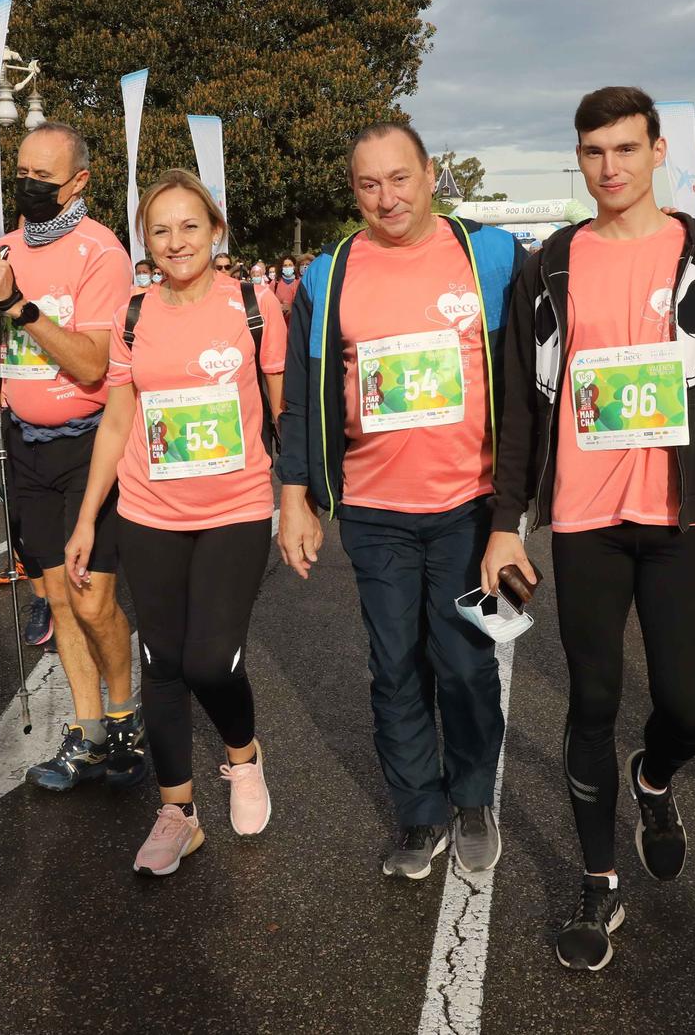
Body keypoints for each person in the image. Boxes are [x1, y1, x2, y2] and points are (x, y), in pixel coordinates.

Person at [482, 86, 695, 971]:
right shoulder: (550, 268)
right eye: (593, 152)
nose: (609, 167)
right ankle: (599, 882)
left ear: (657, 153)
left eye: (625, 149)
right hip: (583, 522)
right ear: (580, 158)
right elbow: (522, 411)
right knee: (592, 701)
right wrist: (506, 524)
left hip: (680, 522)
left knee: (686, 707)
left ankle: (654, 777)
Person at [276, 122, 520, 879]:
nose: (387, 197)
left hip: (471, 507)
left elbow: (538, 369)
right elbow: (299, 401)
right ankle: (419, 814)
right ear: (353, 190)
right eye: (368, 184)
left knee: (467, 661)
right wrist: (296, 496)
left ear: (430, 173)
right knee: (394, 667)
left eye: (400, 178)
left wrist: (520, 508)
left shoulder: (493, 256)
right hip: (375, 513)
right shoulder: (327, 275)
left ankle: (474, 796)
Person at [66, 170, 286, 875]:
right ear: (146, 242)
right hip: (149, 511)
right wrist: (85, 517)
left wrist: (303, 498)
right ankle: (177, 813)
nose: (175, 241)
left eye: (189, 225)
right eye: (159, 230)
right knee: (162, 663)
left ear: (216, 230)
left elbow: (283, 412)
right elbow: (118, 418)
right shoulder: (133, 314)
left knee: (209, 659)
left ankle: (243, 758)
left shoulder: (252, 305)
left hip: (237, 508)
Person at [0, 122, 146, 790]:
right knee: (60, 601)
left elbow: (92, 363)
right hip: (26, 445)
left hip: (88, 443)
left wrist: (18, 303)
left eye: (44, 178)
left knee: (94, 600)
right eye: (22, 173)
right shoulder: (5, 245)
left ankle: (126, 717)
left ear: (80, 182)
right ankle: (89, 730)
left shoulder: (101, 252)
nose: (29, 186)